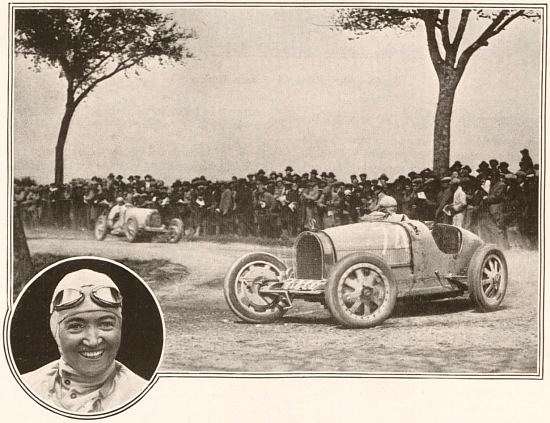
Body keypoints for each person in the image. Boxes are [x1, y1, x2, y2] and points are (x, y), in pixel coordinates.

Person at [22, 269, 147, 413]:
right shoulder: (22, 387)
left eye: (106, 324)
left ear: (119, 328)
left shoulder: (143, 394)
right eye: (76, 326)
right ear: (56, 332)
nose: (93, 341)